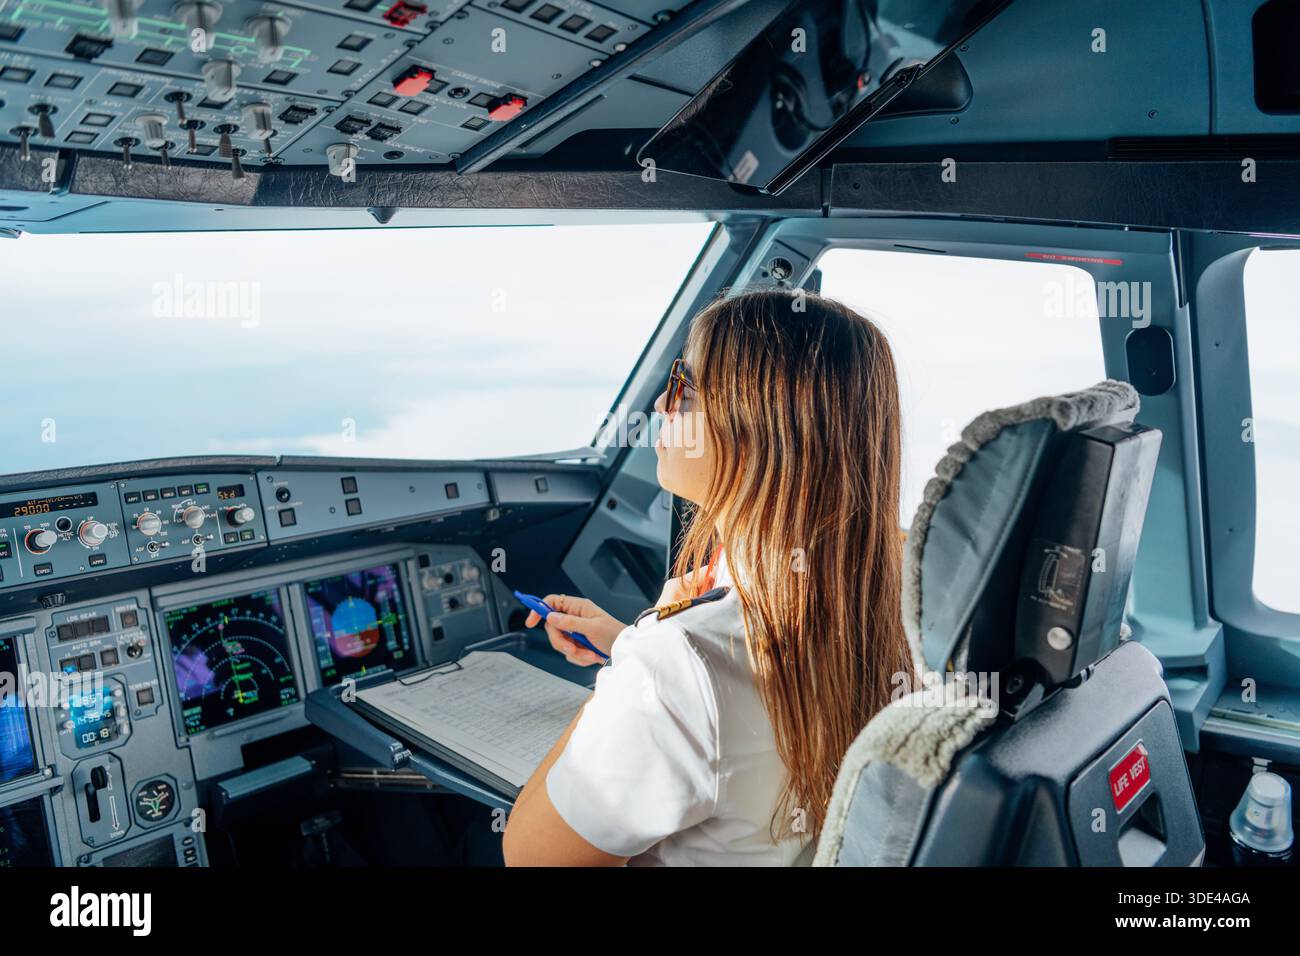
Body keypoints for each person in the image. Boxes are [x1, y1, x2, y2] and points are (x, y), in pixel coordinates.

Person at [502, 288, 915, 866]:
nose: (661, 410)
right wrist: (635, 642)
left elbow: (531, 856)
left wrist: (636, 664)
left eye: (683, 387)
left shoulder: (675, 664)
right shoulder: (905, 593)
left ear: (753, 430)